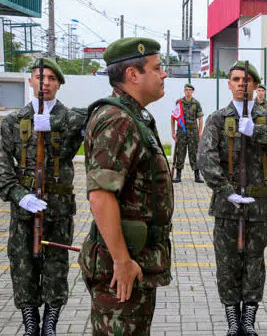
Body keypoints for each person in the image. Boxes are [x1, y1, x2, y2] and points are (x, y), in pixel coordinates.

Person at [78, 37, 174, 335]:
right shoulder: (118, 119)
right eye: (157, 68)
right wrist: (121, 261)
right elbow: (100, 194)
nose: (164, 74)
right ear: (133, 75)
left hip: (135, 260)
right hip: (121, 266)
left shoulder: (133, 115)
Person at [197, 61, 267, 336]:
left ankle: (249, 319)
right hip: (227, 205)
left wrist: (257, 130)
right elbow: (205, 159)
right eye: (237, 79)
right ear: (229, 84)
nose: (242, 84)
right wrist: (225, 189)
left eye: (248, 80)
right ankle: (233, 319)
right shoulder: (218, 119)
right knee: (227, 261)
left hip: (258, 205)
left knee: (254, 261)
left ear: (255, 85)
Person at [0, 57, 86, 336]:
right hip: (24, 209)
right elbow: (1, 164)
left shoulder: (70, 118)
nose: (45, 83)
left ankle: (50, 323)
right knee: (23, 265)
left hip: (59, 209)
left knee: (56, 266)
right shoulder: (13, 121)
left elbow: (91, 115)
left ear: (59, 83)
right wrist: (18, 194)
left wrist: (54, 121)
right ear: (30, 81)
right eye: (40, 78)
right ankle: (30, 324)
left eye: (51, 78)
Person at [171, 83, 204, 183]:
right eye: (186, 90)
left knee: (194, 153)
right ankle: (178, 175)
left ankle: (197, 176)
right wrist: (173, 132)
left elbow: (200, 118)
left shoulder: (196, 103)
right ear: (184, 91)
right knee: (180, 152)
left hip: (193, 132)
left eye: (190, 90)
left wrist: (200, 132)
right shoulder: (179, 102)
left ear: (192, 91)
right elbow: (173, 117)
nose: (188, 91)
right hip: (181, 131)